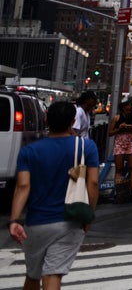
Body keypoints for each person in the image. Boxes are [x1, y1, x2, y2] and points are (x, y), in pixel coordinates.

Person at [8, 101, 99, 290]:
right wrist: (89, 213)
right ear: (73, 121)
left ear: (46, 119)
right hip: (70, 219)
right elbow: (93, 183)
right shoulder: (86, 147)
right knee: (53, 274)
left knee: (33, 274)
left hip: (36, 222)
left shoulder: (29, 151)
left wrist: (15, 220)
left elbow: (23, 186)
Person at [108, 100, 132, 199]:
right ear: (123, 109)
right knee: (119, 168)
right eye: (127, 110)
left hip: (131, 140)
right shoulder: (117, 118)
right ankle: (118, 190)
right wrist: (119, 128)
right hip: (120, 141)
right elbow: (110, 132)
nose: (129, 112)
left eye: (131, 110)